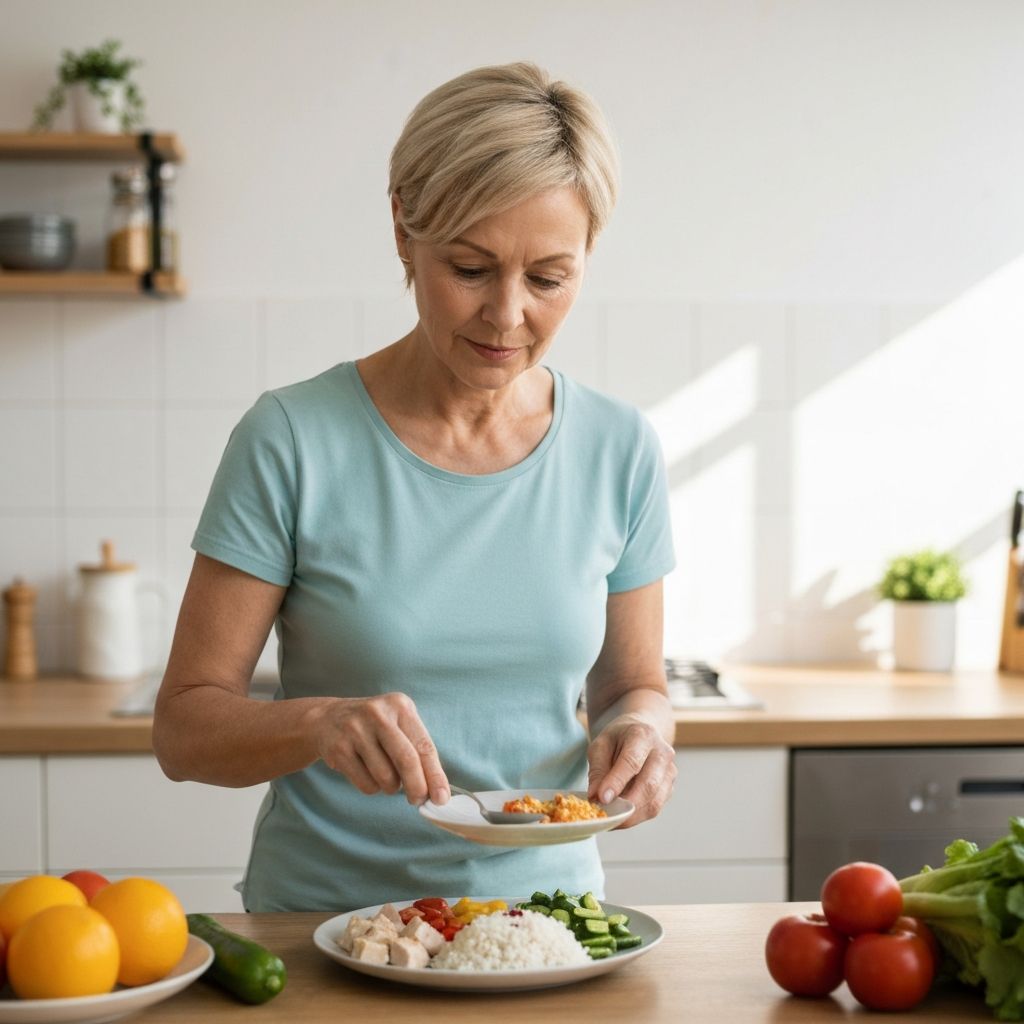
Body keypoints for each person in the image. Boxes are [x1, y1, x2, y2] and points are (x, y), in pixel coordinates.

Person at [152, 61, 677, 913]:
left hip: (547, 931)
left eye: (549, 278)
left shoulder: (619, 448)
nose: (507, 315)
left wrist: (644, 733)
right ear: (403, 227)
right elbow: (184, 728)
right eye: (470, 269)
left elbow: (629, 687)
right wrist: (316, 724)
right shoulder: (292, 439)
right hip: (331, 936)